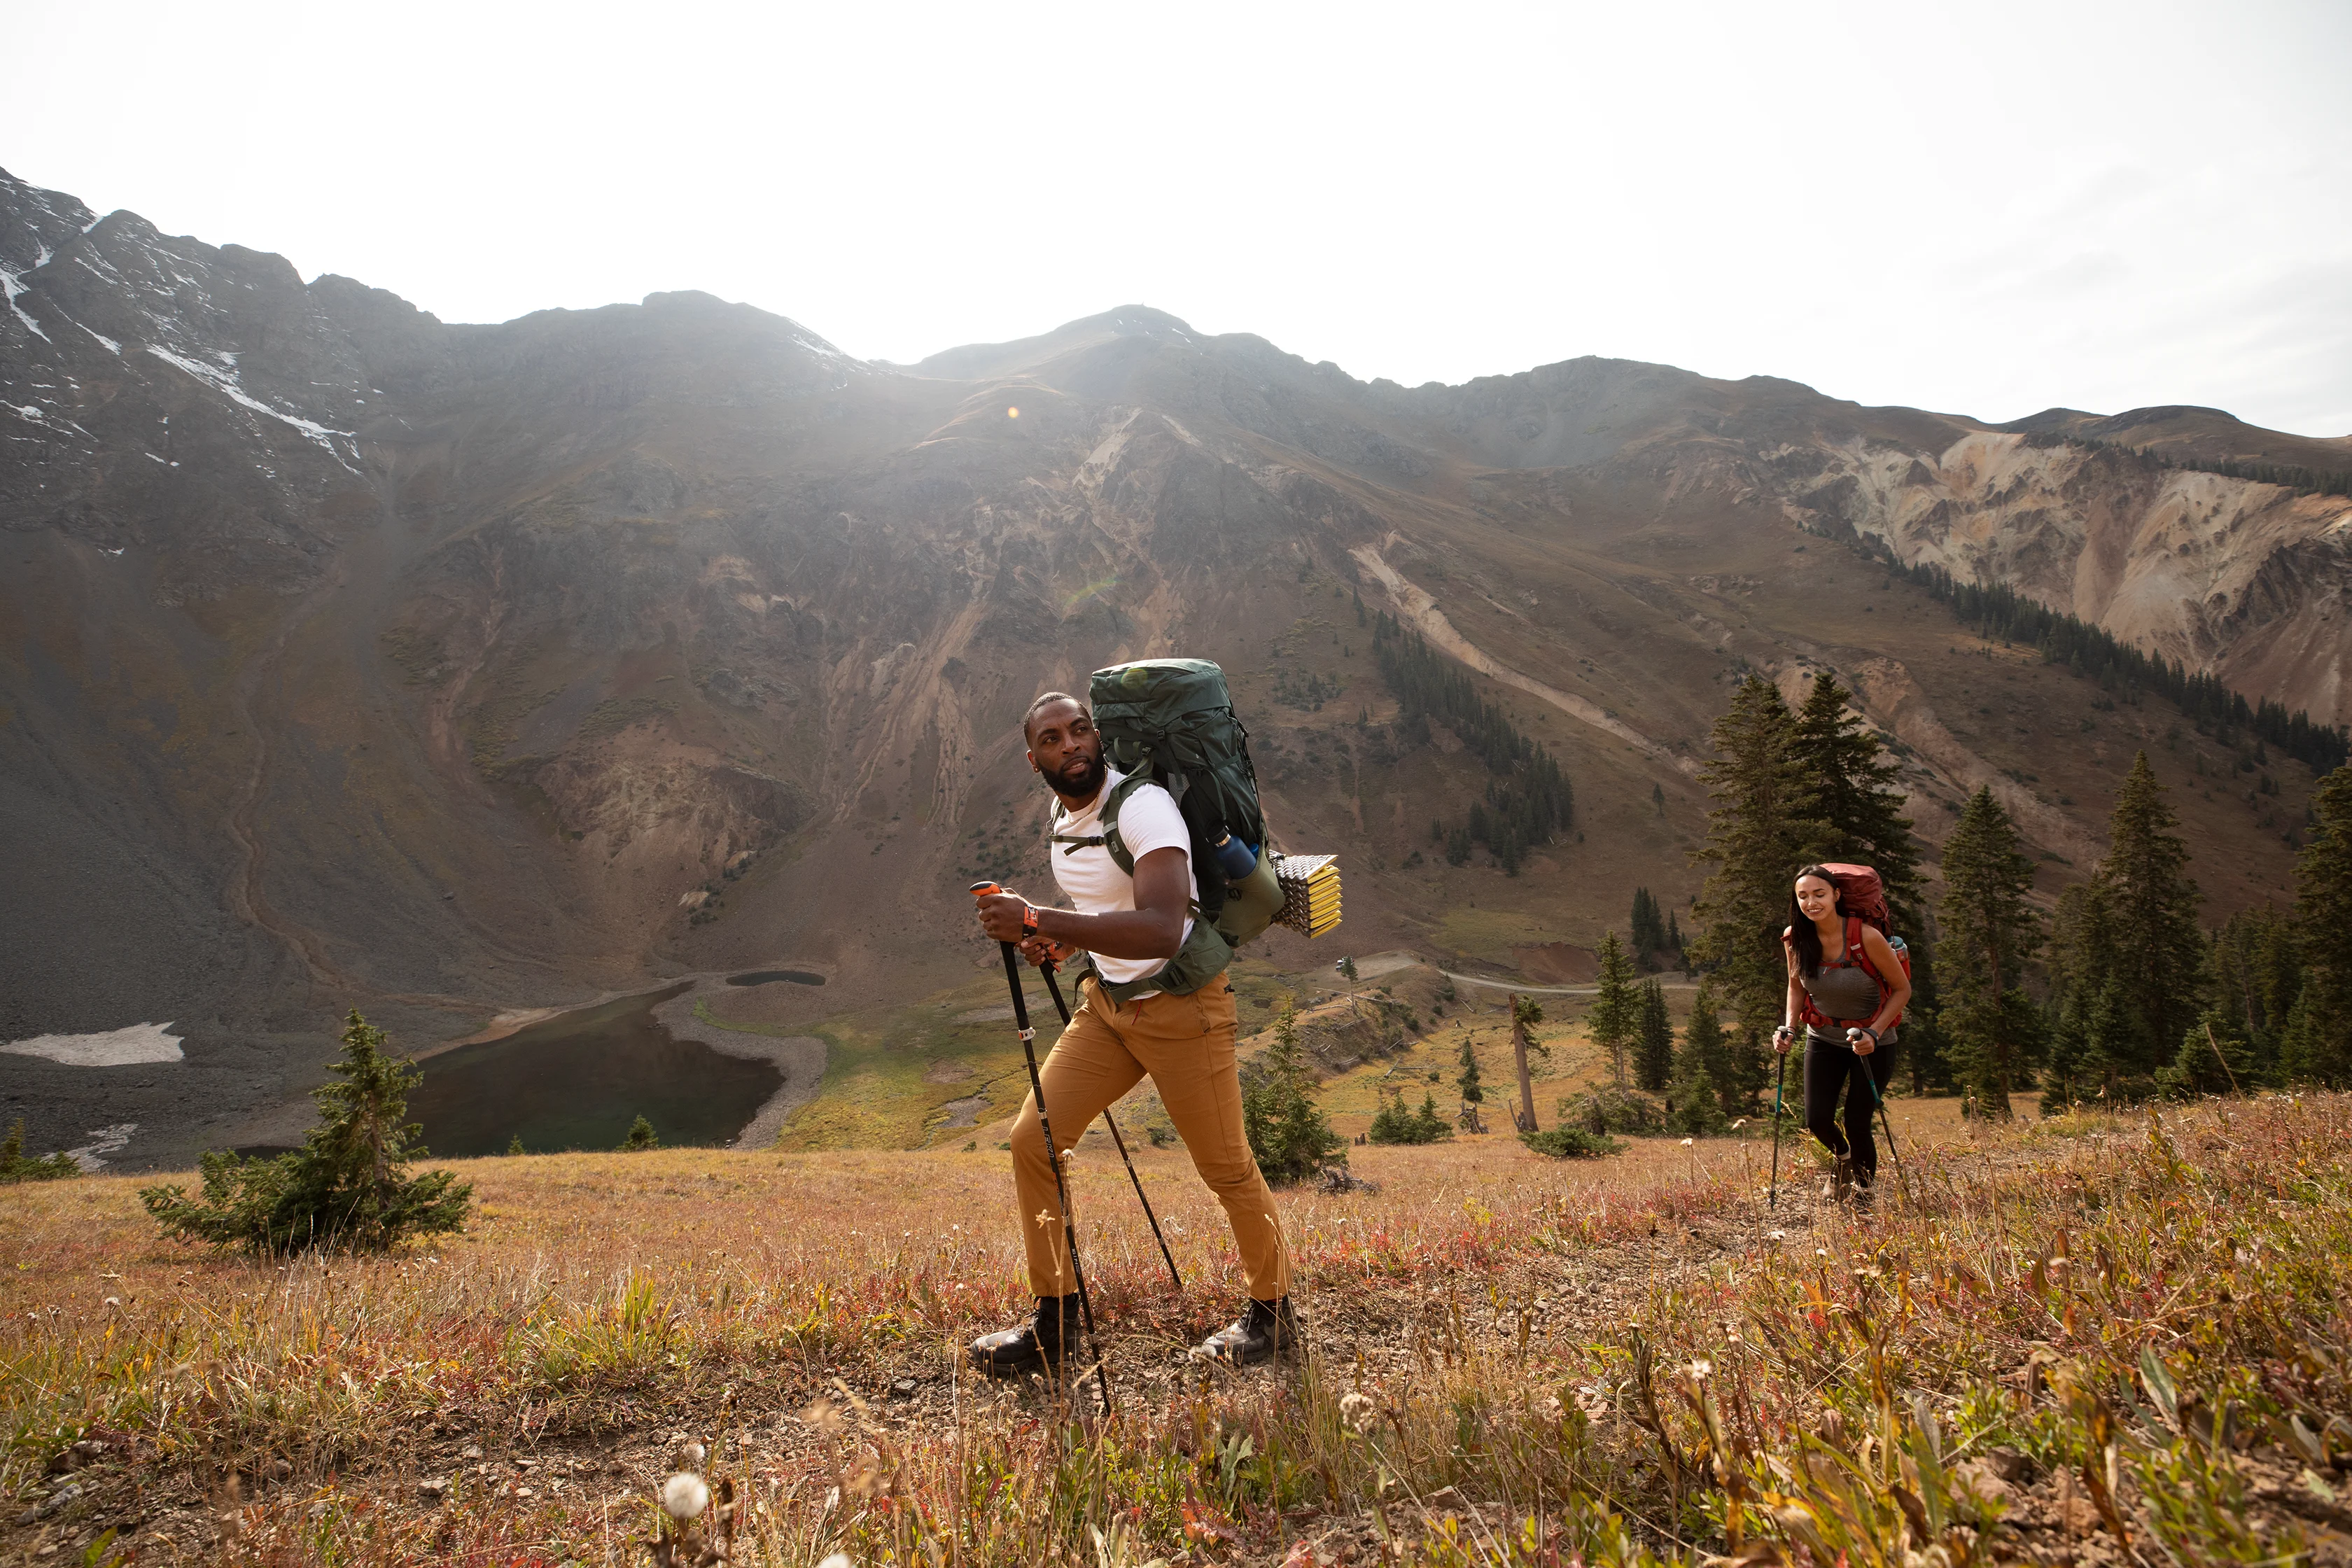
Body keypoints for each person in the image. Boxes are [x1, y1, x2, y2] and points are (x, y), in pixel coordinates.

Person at [967, 691, 1295, 1376]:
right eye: (1053, 738)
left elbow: (1162, 927)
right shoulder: (1064, 819)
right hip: (1111, 1009)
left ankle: (1273, 1317)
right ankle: (1055, 1322)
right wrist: (1064, 942)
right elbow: (1107, 907)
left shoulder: (1143, 807)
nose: (1071, 744)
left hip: (1184, 1008)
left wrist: (1040, 919)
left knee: (1227, 1167)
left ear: (1099, 736)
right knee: (1033, 1140)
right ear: (1034, 760)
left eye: (1080, 729)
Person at [1774, 864, 1911, 1198]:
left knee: (1857, 1120)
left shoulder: (1867, 937)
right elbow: (1796, 986)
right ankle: (1844, 1160)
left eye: (1819, 894)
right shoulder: (1795, 937)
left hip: (1874, 1043)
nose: (1811, 903)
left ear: (1836, 895)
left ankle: (1865, 1193)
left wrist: (1874, 1033)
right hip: (1823, 1038)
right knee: (1817, 1120)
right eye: (1803, 896)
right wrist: (1789, 1027)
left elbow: (1902, 990)